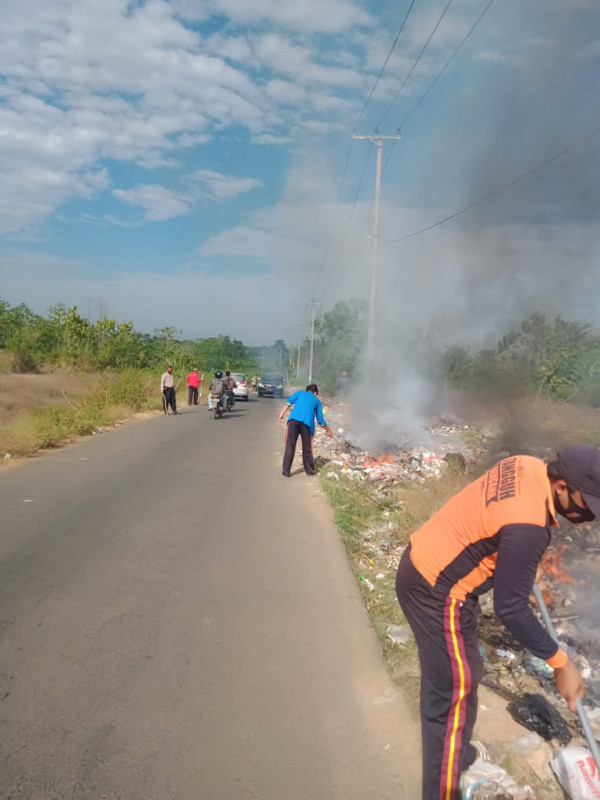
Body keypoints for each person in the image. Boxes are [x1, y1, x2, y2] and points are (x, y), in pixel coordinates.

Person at [395, 444, 600, 800]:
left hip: (427, 560)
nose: (589, 515)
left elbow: (494, 519)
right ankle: (442, 789)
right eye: (588, 504)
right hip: (437, 590)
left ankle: (459, 757)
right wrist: (560, 662)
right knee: (452, 694)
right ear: (563, 487)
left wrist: (516, 562)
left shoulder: (527, 465)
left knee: (468, 670)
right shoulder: (529, 528)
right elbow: (511, 609)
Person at [279, 383, 333, 477]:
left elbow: (289, 402)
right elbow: (320, 420)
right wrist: (328, 430)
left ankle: (286, 472)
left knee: (290, 446)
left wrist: (282, 413)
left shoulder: (299, 393)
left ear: (306, 390)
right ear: (316, 393)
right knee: (307, 448)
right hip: (306, 425)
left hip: (293, 422)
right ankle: (310, 471)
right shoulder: (317, 401)